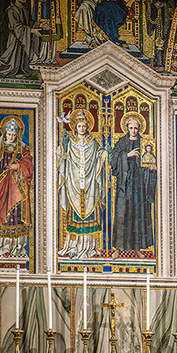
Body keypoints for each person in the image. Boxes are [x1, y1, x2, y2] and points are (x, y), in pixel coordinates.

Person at [57, 108, 108, 259]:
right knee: (73, 216)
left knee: (91, 215)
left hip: (90, 183)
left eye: (84, 126)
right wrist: (64, 144)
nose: (82, 128)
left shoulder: (93, 142)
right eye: (79, 126)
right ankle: (73, 247)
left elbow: (99, 153)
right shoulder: (70, 141)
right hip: (74, 183)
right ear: (75, 127)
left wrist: (104, 153)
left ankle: (89, 247)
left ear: (88, 127)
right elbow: (61, 155)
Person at [0, 116, 34, 260]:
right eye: (9, 134)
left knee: (16, 216)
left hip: (17, 187)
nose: (11, 137)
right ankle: (2, 246)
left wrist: (18, 167)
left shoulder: (22, 149)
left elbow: (28, 164)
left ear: (17, 135)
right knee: (3, 216)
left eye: (13, 135)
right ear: (5, 133)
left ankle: (17, 247)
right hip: (3, 187)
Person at [110, 114, 157, 259]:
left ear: (139, 129)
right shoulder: (122, 142)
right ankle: (118, 249)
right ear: (127, 128)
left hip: (139, 185)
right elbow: (113, 159)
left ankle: (137, 248)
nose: (133, 130)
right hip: (124, 185)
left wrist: (151, 168)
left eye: (136, 128)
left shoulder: (144, 143)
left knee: (138, 215)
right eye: (131, 128)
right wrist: (127, 155)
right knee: (122, 215)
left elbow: (150, 160)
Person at [0, 0, 45, 78]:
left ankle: (21, 69)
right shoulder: (11, 10)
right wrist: (32, 31)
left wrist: (40, 25)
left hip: (24, 36)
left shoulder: (24, 10)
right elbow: (16, 26)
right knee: (11, 59)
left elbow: (30, 22)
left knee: (23, 54)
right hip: (15, 38)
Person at [145, 0, 177, 69]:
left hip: (171, 18)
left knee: (169, 39)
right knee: (159, 40)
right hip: (160, 17)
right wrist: (151, 1)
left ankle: (169, 64)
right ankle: (158, 63)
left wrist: (164, 4)